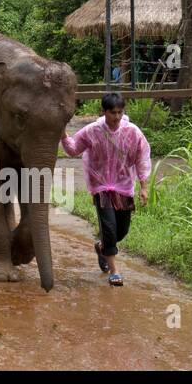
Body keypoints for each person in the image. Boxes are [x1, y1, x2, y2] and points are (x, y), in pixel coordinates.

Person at [60, 92, 151, 287]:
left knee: (122, 230)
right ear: (104, 112)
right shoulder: (92, 130)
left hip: (124, 186)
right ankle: (115, 271)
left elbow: (141, 159)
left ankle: (102, 247)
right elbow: (73, 149)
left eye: (120, 112)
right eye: (112, 113)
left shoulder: (132, 132)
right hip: (101, 186)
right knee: (109, 228)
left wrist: (144, 186)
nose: (116, 117)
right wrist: (63, 133)